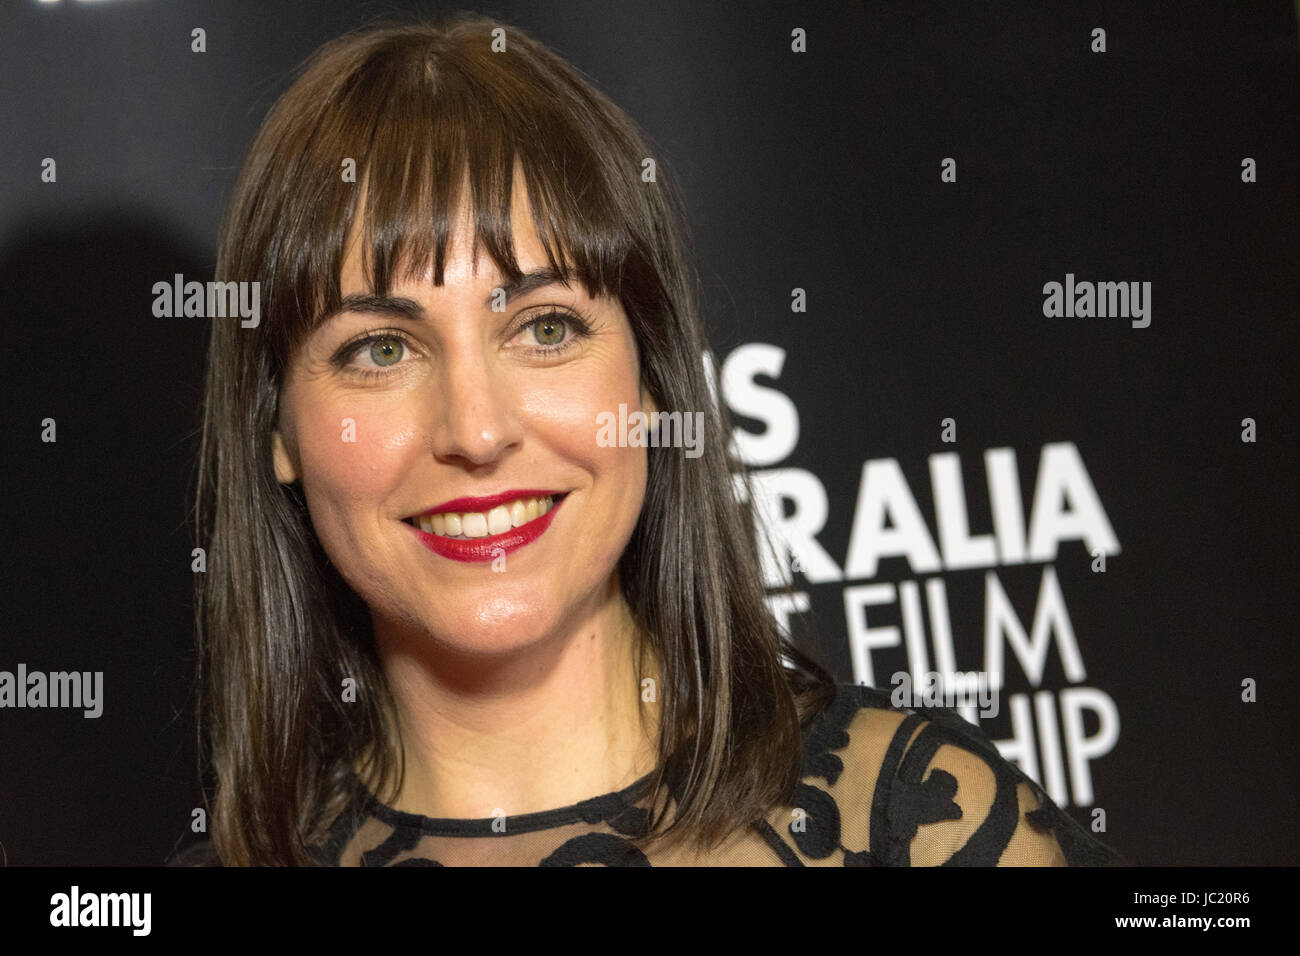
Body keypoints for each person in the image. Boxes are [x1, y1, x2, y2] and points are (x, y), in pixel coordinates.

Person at [171, 12, 1126, 867]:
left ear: (654, 378)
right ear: (275, 428)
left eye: (544, 327)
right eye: (382, 348)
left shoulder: (922, 824)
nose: (476, 430)